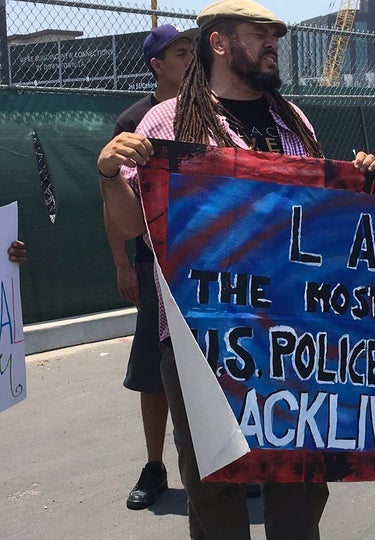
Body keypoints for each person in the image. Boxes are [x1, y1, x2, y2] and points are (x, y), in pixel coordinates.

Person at [97, 0, 375, 537]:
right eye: (260, 34)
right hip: (200, 338)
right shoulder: (167, 121)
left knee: (299, 481)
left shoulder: (292, 119)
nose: (274, 43)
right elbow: (134, 226)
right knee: (217, 492)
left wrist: (364, 182)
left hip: (293, 336)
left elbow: (319, 219)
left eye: (275, 34)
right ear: (221, 44)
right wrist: (112, 175)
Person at [103, 23, 197, 511]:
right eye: (181, 54)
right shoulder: (134, 120)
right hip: (153, 266)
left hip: (205, 268)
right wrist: (122, 263)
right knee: (152, 372)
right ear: (157, 65)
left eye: (193, 52)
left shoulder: (212, 113)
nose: (191, 60)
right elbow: (115, 194)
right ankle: (156, 466)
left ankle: (229, 464)